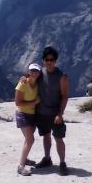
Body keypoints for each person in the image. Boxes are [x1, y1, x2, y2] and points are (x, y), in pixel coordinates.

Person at [35, 46, 70, 176]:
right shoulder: (39, 73)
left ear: (55, 60)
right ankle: (47, 158)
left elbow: (65, 95)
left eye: (52, 59)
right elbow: (30, 80)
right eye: (47, 59)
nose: (49, 61)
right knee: (46, 136)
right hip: (42, 112)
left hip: (55, 113)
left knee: (59, 138)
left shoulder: (62, 77)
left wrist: (60, 113)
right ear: (43, 60)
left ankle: (62, 163)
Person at [15, 62, 42, 176]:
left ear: (39, 73)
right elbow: (17, 102)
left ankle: (24, 159)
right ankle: (21, 167)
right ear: (29, 72)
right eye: (32, 71)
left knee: (28, 139)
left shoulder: (38, 84)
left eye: (36, 71)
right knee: (30, 140)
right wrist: (34, 102)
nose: (34, 73)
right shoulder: (22, 83)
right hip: (23, 114)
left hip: (33, 115)